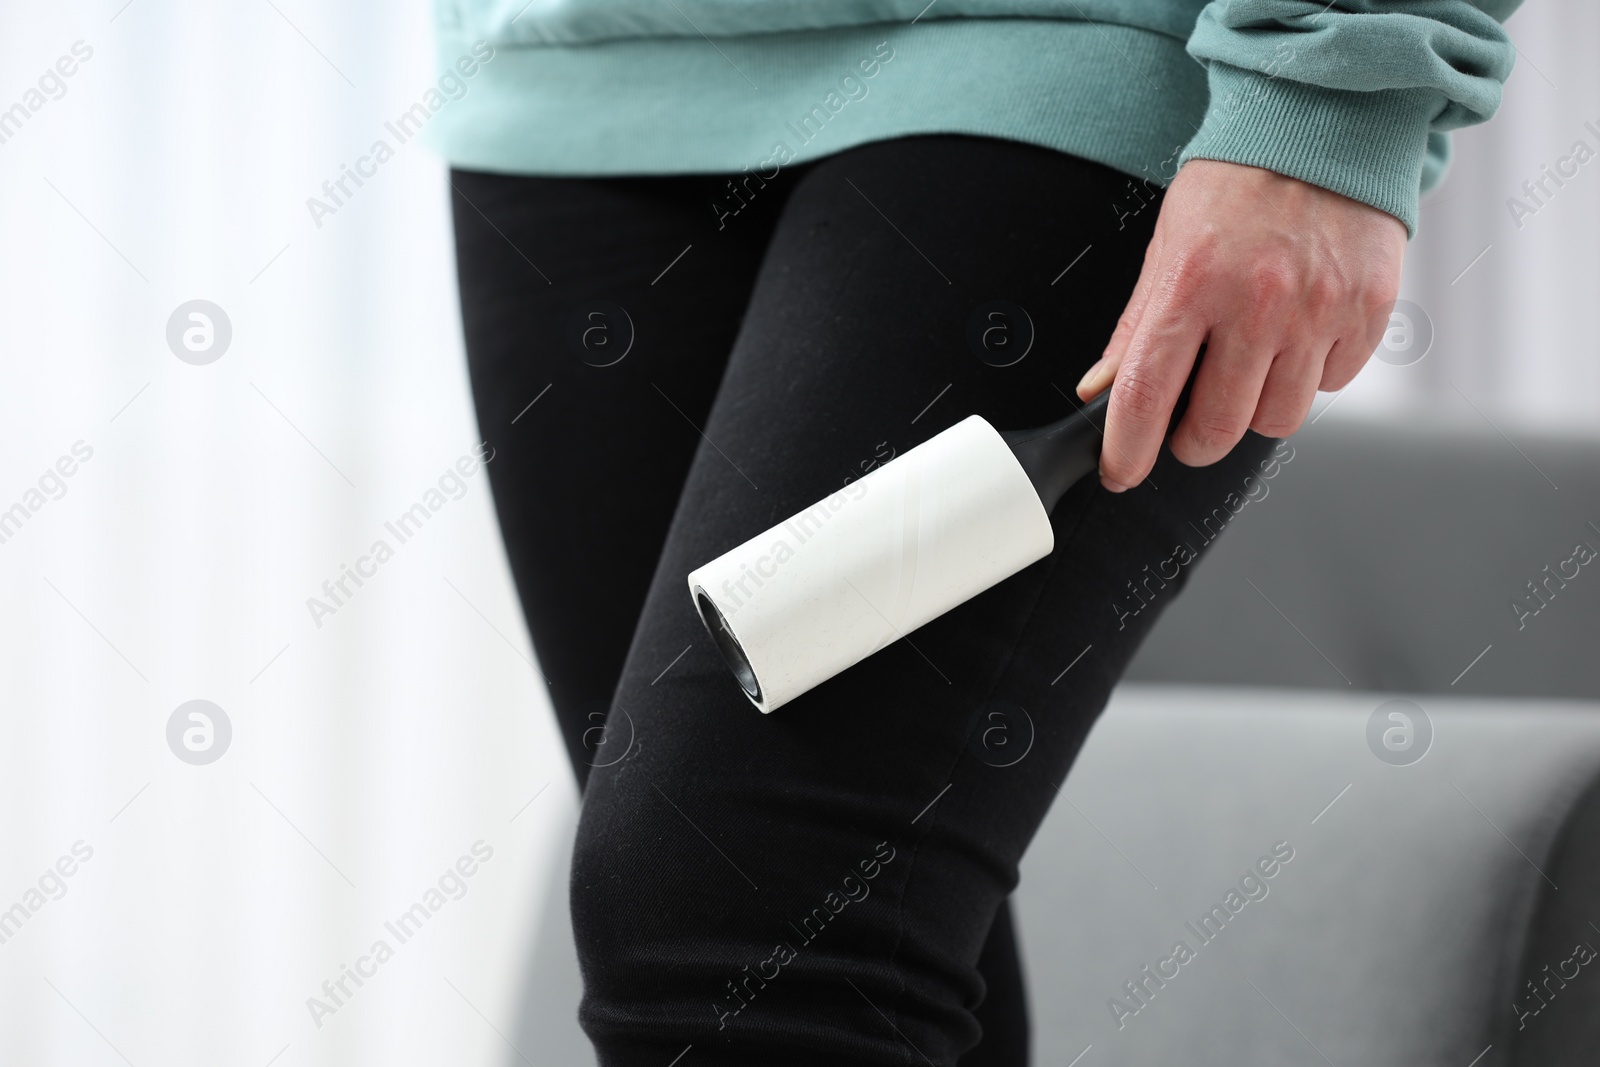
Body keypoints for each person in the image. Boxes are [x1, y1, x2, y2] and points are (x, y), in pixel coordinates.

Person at [431, 1, 1520, 1062]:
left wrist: (1332, 85)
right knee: (839, 923)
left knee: (737, 914)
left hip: (1072, 58)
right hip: (567, 80)